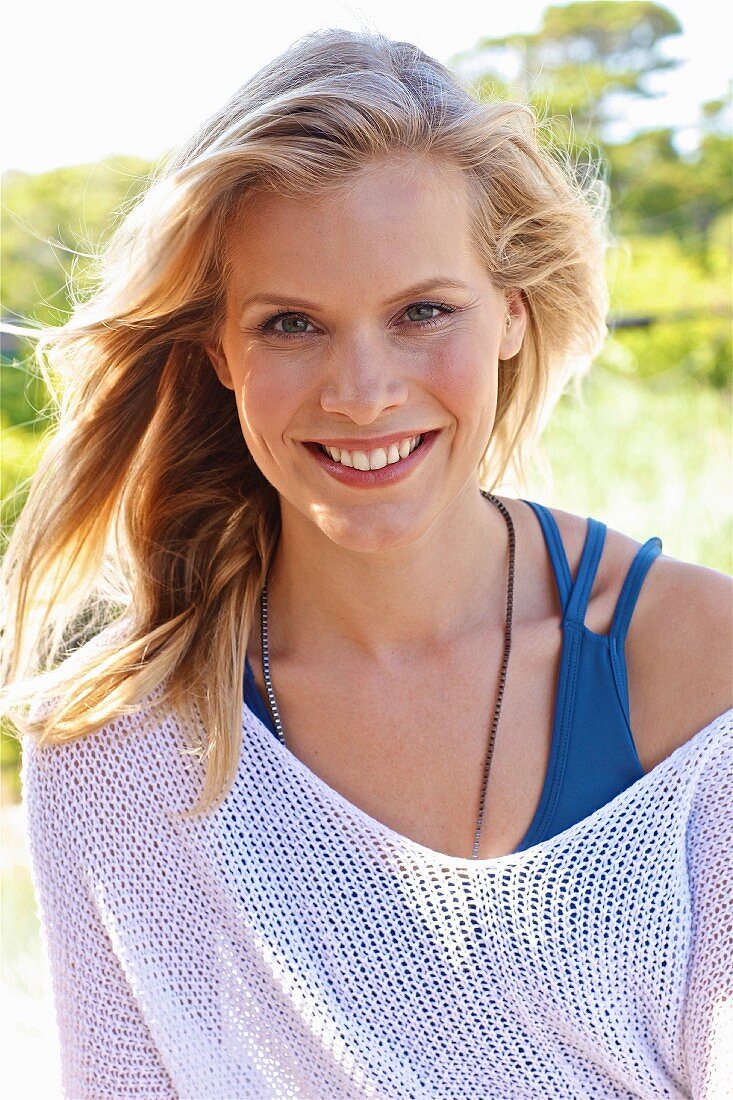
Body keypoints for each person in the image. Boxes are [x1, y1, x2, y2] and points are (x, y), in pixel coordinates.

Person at [2, 25, 731, 1100]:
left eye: (422, 312)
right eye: (291, 322)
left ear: (511, 317)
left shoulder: (697, 667)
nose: (361, 390)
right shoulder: (113, 745)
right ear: (220, 350)